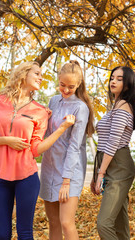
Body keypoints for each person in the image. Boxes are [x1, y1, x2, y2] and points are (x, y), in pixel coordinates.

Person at [0, 61, 75, 240]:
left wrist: (62, 128)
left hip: (26, 177)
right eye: (37, 73)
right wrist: (7, 141)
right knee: (2, 234)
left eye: (42, 74)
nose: (41, 77)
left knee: (24, 233)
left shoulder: (40, 111)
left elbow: (36, 149)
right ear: (24, 74)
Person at [39, 60, 94, 240]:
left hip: (70, 171)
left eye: (71, 86)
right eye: (62, 85)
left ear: (78, 84)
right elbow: (47, 134)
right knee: (53, 221)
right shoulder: (53, 101)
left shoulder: (80, 107)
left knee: (66, 222)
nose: (66, 90)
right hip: (49, 166)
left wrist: (66, 180)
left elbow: (75, 146)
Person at [91, 66, 135, 240]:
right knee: (120, 224)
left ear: (128, 84)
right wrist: (99, 171)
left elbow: (112, 142)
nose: (113, 81)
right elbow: (103, 144)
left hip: (118, 166)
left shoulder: (123, 106)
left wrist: (101, 173)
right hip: (110, 163)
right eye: (112, 77)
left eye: (119, 79)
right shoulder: (115, 106)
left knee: (104, 223)